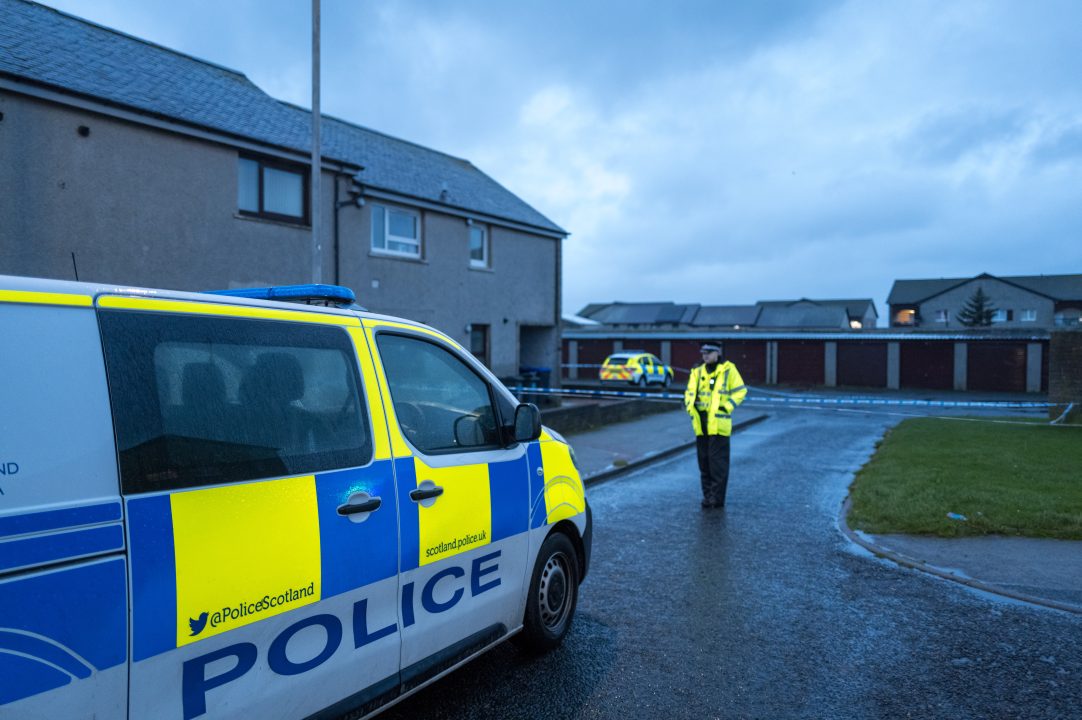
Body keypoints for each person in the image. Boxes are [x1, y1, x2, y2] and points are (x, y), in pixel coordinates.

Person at [684, 343, 747, 508]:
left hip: (719, 424)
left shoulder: (728, 370)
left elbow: (741, 391)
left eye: (708, 353)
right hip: (701, 423)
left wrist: (727, 406)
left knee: (717, 465)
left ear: (717, 353)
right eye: (703, 353)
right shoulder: (697, 371)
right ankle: (707, 496)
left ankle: (717, 499)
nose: (705, 356)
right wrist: (690, 407)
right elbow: (689, 393)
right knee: (704, 463)